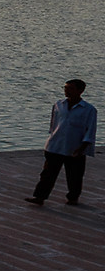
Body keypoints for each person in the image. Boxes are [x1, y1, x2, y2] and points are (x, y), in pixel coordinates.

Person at [31, 79, 95, 207]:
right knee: (47, 174)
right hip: (55, 145)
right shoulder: (59, 105)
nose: (66, 91)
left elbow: (90, 130)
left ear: (80, 91)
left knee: (74, 176)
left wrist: (82, 147)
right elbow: (53, 123)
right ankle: (40, 197)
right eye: (66, 88)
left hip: (74, 147)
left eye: (70, 88)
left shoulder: (89, 110)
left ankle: (73, 197)